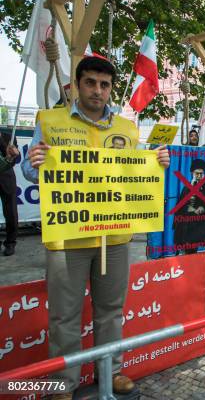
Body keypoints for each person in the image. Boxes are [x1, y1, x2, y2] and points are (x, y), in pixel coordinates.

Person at [22, 56, 170, 399]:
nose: (97, 91)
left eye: (104, 85)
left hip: (114, 238)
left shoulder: (128, 130)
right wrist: (34, 164)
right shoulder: (51, 121)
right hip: (67, 240)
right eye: (90, 82)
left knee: (111, 312)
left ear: (110, 89)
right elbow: (34, 173)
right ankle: (63, 383)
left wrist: (158, 164)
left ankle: (112, 372)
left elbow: (135, 178)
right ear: (76, 85)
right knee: (64, 317)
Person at [172, 158, 205, 254]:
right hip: (187, 219)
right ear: (192, 173)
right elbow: (180, 206)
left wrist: (203, 208)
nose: (199, 176)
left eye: (201, 173)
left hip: (201, 220)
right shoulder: (187, 187)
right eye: (197, 173)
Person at [0, 133, 20, 256]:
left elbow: (15, 159)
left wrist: (12, 152)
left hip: (6, 178)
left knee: (11, 211)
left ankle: (10, 243)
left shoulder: (9, 136)